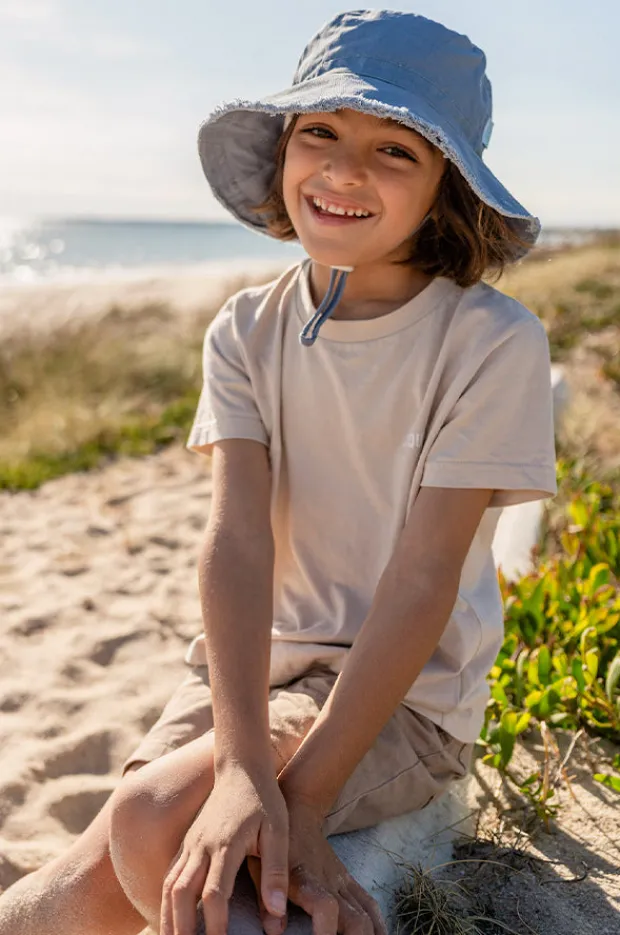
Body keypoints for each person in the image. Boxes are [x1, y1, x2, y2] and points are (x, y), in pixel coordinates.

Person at [0, 9, 558, 935]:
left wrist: (301, 795)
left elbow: (422, 582)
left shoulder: (489, 341)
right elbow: (237, 540)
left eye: (395, 151)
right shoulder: (245, 328)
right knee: (105, 863)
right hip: (250, 669)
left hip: (401, 696)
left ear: (446, 185)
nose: (343, 171)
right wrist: (241, 765)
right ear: (285, 150)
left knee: (146, 825)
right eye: (321, 133)